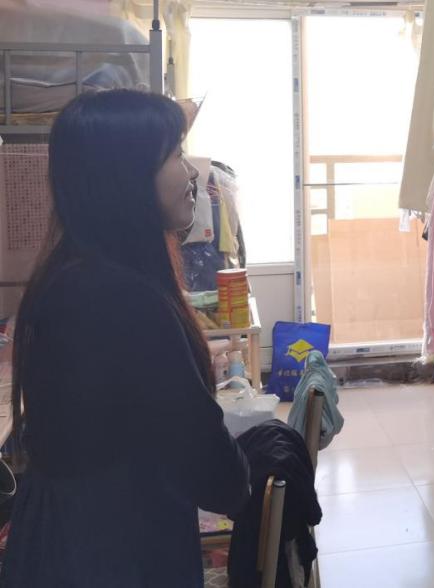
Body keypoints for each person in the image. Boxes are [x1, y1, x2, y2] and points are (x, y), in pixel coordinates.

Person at [2, 90, 250, 587]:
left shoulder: (73, 277)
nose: (192, 172)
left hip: (75, 543)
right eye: (175, 154)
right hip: (113, 556)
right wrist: (247, 474)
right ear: (126, 176)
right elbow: (212, 468)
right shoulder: (123, 298)